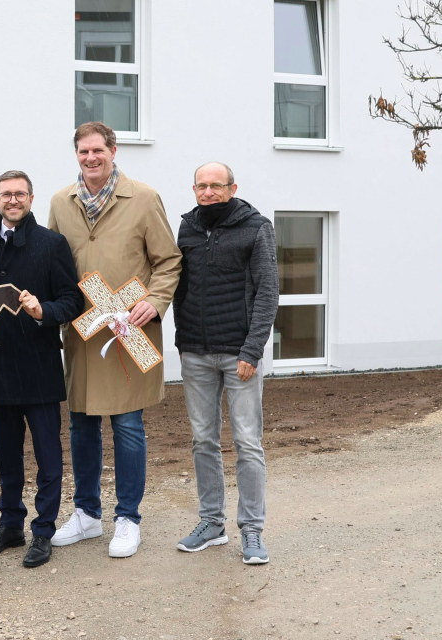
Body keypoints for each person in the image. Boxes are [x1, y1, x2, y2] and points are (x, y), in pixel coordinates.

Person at [47, 122, 182, 558]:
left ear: (113, 150)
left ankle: (128, 518)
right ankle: (86, 514)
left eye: (98, 151)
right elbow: (53, 264)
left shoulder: (143, 198)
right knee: (81, 423)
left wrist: (156, 302)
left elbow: (169, 261)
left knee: (127, 426)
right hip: (84, 333)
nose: (91, 159)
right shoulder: (59, 202)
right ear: (76, 155)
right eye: (83, 152)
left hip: (130, 330)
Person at [0, 170, 83, 568]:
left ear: (31, 198)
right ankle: (11, 524)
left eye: (19, 194)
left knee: (48, 456)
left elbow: (72, 301)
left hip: (39, 365)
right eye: (5, 194)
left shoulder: (51, 243)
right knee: (6, 455)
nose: (12, 200)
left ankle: (43, 530)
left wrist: (41, 311)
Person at [172, 162, 278, 565]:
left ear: (232, 187)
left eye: (217, 185)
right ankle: (211, 524)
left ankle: (251, 530)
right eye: (202, 185)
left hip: (239, 355)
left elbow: (268, 291)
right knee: (203, 440)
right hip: (196, 352)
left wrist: (252, 351)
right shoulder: (188, 228)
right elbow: (178, 285)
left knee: (248, 443)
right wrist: (182, 342)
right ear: (194, 188)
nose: (209, 191)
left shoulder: (255, 227)